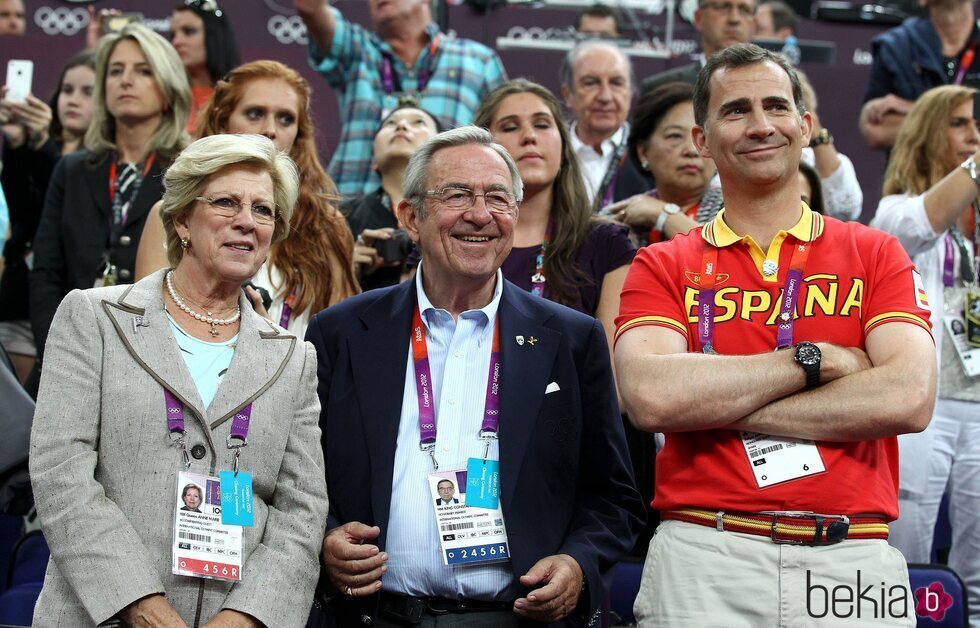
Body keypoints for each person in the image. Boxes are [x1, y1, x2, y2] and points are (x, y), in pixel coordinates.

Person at [616, 44, 936, 625]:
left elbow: (908, 398)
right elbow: (651, 397)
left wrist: (711, 402)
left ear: (805, 126)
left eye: (776, 107)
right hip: (704, 555)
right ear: (702, 140)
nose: (761, 125)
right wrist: (818, 362)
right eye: (735, 110)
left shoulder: (875, 252)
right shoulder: (661, 263)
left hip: (853, 556)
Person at [306, 126, 644, 627]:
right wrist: (326, 536)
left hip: (517, 620)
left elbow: (614, 497)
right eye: (457, 195)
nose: (480, 214)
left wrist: (578, 563)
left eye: (497, 198)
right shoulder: (341, 331)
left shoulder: (571, 340)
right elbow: (298, 477)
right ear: (410, 217)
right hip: (374, 616)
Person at [29, 133, 328, 627]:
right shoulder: (94, 317)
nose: (246, 222)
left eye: (264, 211)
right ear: (182, 219)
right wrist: (139, 604)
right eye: (227, 202)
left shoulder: (292, 357)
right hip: (99, 615)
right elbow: (61, 473)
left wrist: (248, 616)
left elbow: (303, 509)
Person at [136, 60, 359, 338]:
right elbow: (144, 331)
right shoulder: (173, 214)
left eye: (286, 119)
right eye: (255, 114)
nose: (270, 130)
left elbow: (343, 338)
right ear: (221, 120)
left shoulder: (326, 224)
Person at [869, 84, 980, 626]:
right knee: (906, 556)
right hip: (925, 414)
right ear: (929, 133)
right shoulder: (895, 213)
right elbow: (923, 222)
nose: (974, 135)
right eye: (960, 124)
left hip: (979, 409)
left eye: (976, 124)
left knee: (979, 567)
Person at [29, 23, 189, 361]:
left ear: (168, 89)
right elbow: (46, 273)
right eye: (115, 71)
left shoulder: (189, 172)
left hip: (154, 357)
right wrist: (57, 349)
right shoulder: (72, 170)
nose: (125, 80)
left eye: (143, 71)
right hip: (69, 349)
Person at [475, 79, 635, 360]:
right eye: (511, 127)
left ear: (563, 147)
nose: (529, 136)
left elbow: (613, 383)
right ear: (483, 150)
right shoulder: (452, 236)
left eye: (542, 124)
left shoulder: (608, 243)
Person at [294, 0, 507, 197]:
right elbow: (309, 7)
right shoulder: (357, 50)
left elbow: (504, 148)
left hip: (443, 213)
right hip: (349, 214)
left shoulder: (478, 61)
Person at [0, 51, 96, 385]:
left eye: (88, 92)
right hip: (18, 300)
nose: (73, 100)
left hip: (67, 308)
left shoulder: (97, 166)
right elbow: (25, 215)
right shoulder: (38, 147)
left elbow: (68, 216)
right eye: (68, 89)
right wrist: (14, 145)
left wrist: (41, 146)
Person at [603, 81, 718, 246]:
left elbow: (727, 264)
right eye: (675, 136)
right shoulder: (617, 219)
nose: (692, 150)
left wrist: (663, 215)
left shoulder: (739, 211)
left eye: (702, 138)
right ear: (643, 152)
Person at [345, 102, 441, 291]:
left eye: (418, 122)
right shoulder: (339, 218)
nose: (402, 126)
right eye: (390, 123)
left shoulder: (459, 213)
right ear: (374, 161)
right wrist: (343, 270)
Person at [860, 0, 980, 150]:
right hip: (915, 171)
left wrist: (913, 109)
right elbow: (876, 128)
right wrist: (966, 124)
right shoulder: (896, 47)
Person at [560, 40, 645, 207]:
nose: (605, 97)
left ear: (631, 92)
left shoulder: (648, 155)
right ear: (568, 94)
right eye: (591, 83)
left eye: (616, 83)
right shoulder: (550, 152)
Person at [641, 0, 757, 95]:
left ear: (754, 23)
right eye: (722, 7)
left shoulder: (771, 84)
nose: (734, 19)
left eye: (745, 9)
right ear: (698, 18)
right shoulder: (662, 88)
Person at [170, 0, 240, 134]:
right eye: (173, 35)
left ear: (214, 36)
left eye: (189, 31)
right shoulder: (162, 98)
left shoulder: (240, 96)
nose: (176, 42)